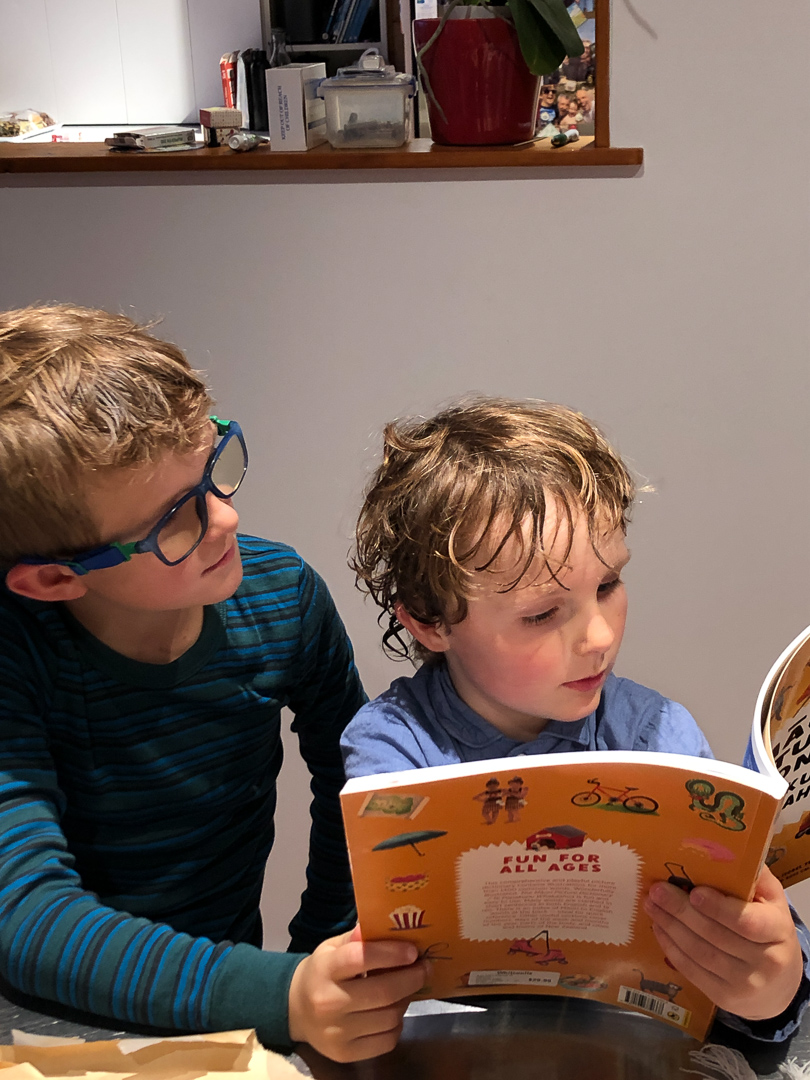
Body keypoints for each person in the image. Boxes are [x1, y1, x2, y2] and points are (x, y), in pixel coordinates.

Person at [0, 305, 426, 1064]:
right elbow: (26, 914)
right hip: (45, 1028)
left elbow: (355, 789)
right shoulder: (14, 652)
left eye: (214, 467)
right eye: (175, 520)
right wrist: (284, 994)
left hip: (223, 1013)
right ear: (55, 578)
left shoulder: (283, 595)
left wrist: (324, 951)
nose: (225, 519)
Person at [341, 396, 810, 1042]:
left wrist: (771, 991)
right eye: (541, 614)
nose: (599, 637)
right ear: (429, 621)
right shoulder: (393, 748)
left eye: (608, 585)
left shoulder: (656, 736)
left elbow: (759, 953)